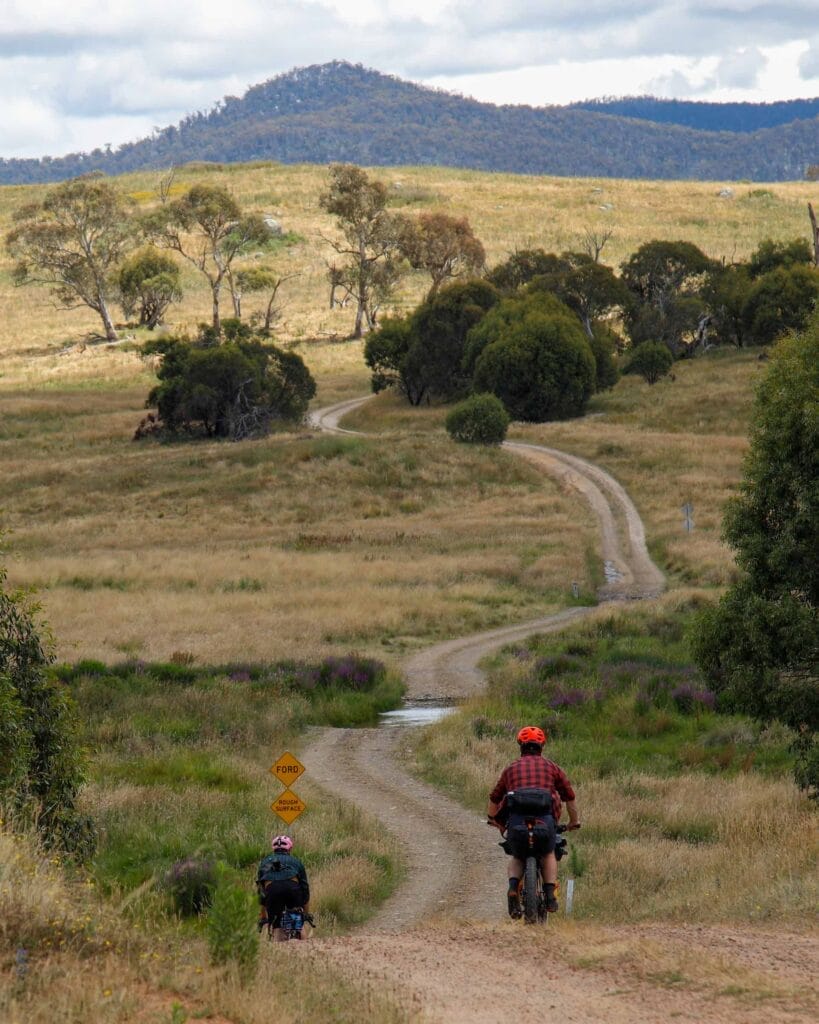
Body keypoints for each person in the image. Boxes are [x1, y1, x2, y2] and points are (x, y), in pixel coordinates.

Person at [487, 725, 580, 917]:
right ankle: (549, 894)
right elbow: (569, 797)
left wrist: (493, 820)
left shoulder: (511, 769)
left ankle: (513, 887)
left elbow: (494, 798)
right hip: (545, 825)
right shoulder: (552, 767)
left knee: (518, 856)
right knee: (547, 853)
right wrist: (573, 822)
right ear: (542, 746)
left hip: (517, 826)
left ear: (520, 745)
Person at [256, 834, 311, 939]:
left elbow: (261, 892)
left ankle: (279, 951)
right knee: (298, 924)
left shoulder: (264, 862)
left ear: (273, 849)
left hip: (272, 891)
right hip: (292, 890)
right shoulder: (296, 862)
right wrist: (305, 914)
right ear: (290, 849)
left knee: (276, 927)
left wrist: (263, 916)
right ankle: (306, 948)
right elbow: (305, 889)